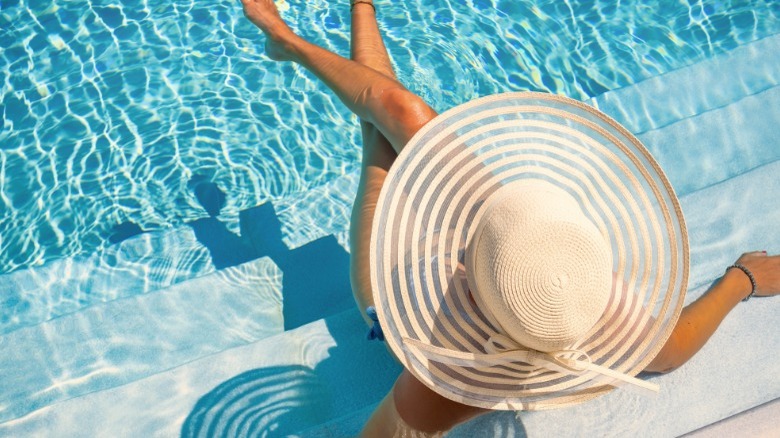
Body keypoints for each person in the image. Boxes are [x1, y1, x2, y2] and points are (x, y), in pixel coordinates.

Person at [239, 0, 780, 436]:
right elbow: (671, 350)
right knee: (398, 114)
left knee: (378, 144)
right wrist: (742, 279)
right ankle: (349, 13)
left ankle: (289, 37)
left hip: (397, 282)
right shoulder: (578, 285)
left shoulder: (441, 385)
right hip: (506, 244)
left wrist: (744, 278)